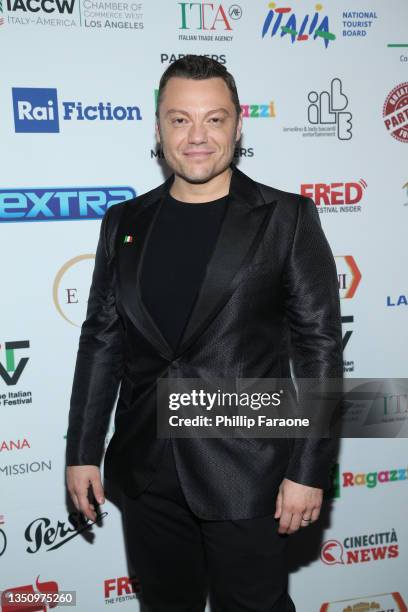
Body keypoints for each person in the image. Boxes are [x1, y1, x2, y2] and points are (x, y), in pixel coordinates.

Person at [65, 55, 343, 611]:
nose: (197, 137)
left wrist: (308, 471)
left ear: (238, 126)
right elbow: (102, 340)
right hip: (146, 471)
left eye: (213, 120)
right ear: (159, 128)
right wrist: (82, 451)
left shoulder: (285, 217)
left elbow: (319, 349)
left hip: (248, 471)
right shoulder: (124, 222)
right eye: (180, 119)